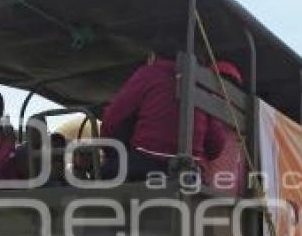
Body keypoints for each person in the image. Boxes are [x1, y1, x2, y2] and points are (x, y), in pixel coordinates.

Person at [100, 53, 234, 180]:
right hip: (192, 174)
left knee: (104, 170)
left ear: (154, 55)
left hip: (144, 168)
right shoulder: (202, 85)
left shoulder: (149, 73)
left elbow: (111, 123)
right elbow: (215, 147)